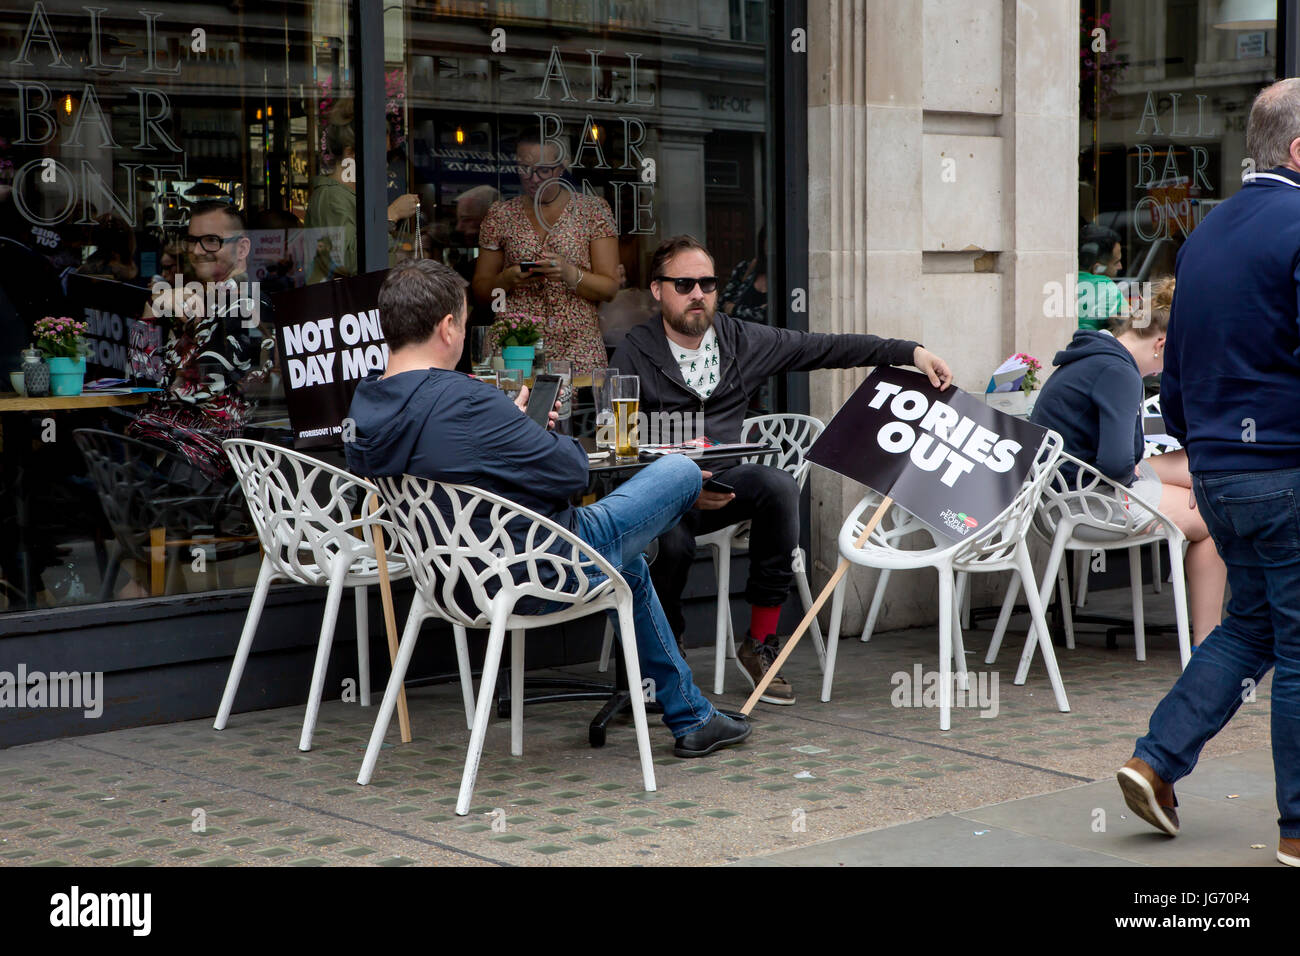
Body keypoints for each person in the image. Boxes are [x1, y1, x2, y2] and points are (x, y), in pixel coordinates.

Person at [344, 259, 752, 758]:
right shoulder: (469, 401)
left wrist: (510, 429)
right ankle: (690, 713)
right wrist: (532, 430)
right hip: (538, 568)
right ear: (448, 326)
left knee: (629, 569)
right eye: (467, 321)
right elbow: (573, 474)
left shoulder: (366, 406)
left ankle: (691, 717)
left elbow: (455, 458)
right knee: (681, 472)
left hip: (449, 580)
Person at [612, 234, 953, 705]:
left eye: (707, 283)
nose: (698, 294)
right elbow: (619, 447)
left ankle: (759, 643)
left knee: (777, 485)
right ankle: (667, 654)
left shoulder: (740, 340)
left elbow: (828, 348)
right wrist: (680, 484)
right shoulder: (633, 352)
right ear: (657, 290)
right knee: (669, 542)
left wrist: (910, 352)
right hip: (661, 494)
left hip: (724, 485)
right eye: (684, 283)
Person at [1116, 78, 1300, 867]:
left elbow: (1178, 370)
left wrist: (1206, 451)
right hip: (1286, 468)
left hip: (1223, 470)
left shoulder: (1207, 234)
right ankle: (1297, 826)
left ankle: (1155, 762)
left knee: (1250, 629)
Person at [1029, 276, 1226, 645]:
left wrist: (1146, 472)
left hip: (1059, 496)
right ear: (1161, 344)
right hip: (1087, 504)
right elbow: (1117, 463)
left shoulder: (1093, 355)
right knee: (1212, 522)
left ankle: (1205, 490)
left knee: (1194, 467)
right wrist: (1147, 478)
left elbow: (1117, 458)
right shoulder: (1120, 373)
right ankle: (1207, 642)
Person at [128, 201, 271, 478]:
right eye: (192, 240)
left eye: (211, 241)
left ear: (241, 249)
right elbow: (141, 378)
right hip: (164, 454)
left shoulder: (248, 306)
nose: (196, 251)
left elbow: (181, 388)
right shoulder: (193, 301)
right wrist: (152, 307)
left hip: (201, 468)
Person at [472, 133, 619, 375]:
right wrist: (508, 278)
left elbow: (610, 288)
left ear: (562, 167)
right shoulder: (501, 214)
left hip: (577, 344)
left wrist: (570, 274)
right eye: (524, 168)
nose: (532, 178)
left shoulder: (592, 211)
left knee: (579, 410)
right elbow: (480, 291)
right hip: (516, 342)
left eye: (543, 170)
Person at [304, 98, 419, 284]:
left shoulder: (353, 195)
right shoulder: (331, 197)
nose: (385, 163)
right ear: (350, 154)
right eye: (378, 155)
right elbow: (348, 262)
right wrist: (391, 215)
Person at [1076, 223, 1129, 331]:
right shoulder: (1106, 288)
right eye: (1116, 262)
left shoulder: (1061, 279)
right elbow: (1128, 328)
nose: (1120, 267)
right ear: (1097, 268)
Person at [719, 226, 768, 325]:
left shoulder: (789, 275)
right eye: (768, 240)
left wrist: (734, 309)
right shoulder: (745, 268)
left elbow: (765, 314)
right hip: (737, 337)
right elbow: (722, 305)